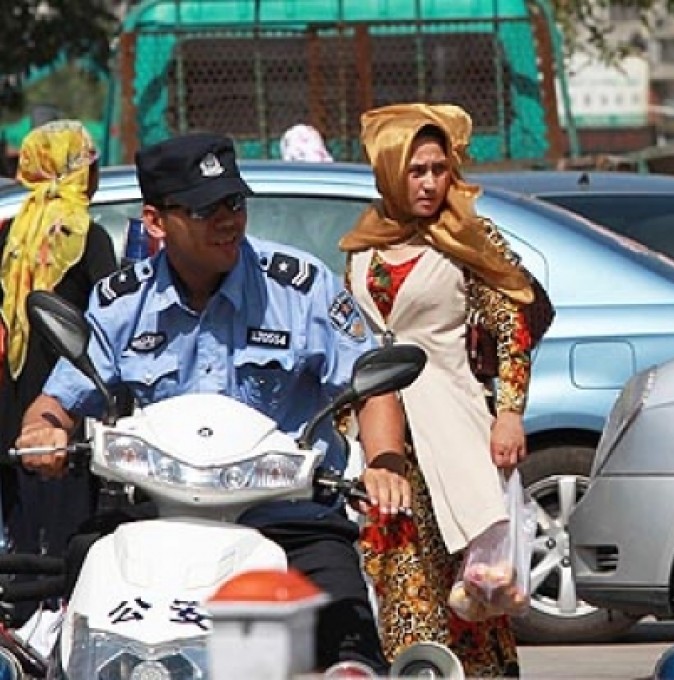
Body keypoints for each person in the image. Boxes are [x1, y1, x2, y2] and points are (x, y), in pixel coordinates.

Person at [13, 132, 410, 672]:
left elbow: (374, 385)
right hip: (157, 520)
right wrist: (44, 430)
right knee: (76, 606)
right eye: (205, 209)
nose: (227, 220)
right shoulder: (121, 302)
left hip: (287, 519)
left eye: (234, 202)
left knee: (352, 655)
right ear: (156, 221)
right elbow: (57, 401)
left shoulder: (299, 289)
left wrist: (385, 464)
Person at [339, 103, 534, 677]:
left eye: (438, 169)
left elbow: (511, 326)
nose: (429, 183)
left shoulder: (466, 234)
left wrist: (510, 413)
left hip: (452, 428)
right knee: (401, 584)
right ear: (387, 172)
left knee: (473, 592)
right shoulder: (360, 244)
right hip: (383, 441)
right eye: (414, 170)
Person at [0, 120, 117, 623]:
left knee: (23, 524)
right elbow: (111, 317)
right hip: (66, 402)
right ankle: (69, 623)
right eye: (89, 163)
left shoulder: (12, 231)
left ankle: (23, 625)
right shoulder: (84, 233)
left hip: (14, 395)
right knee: (73, 523)